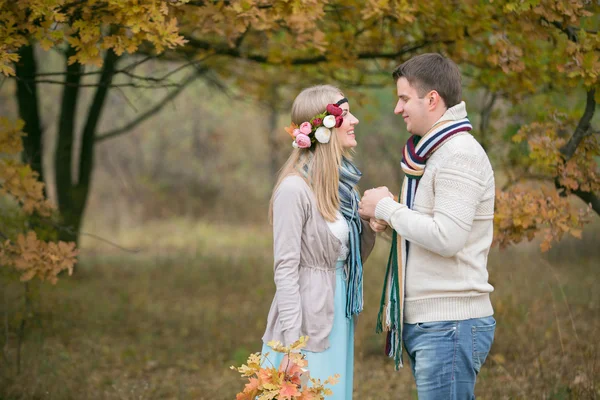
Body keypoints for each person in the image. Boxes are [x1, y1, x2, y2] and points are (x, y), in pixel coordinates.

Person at [358, 53, 496, 399]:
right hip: (435, 322)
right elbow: (433, 231)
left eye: (404, 98)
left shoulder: (457, 155)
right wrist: (387, 222)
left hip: (450, 323)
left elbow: (447, 238)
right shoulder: (431, 154)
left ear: (432, 99)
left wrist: (388, 209)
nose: (397, 108)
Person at [261, 84, 376, 399]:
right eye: (346, 114)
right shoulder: (294, 190)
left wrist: (369, 223)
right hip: (304, 322)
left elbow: (352, 259)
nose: (354, 121)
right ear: (324, 126)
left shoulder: (343, 192)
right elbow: (285, 270)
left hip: (337, 312)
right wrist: (291, 347)